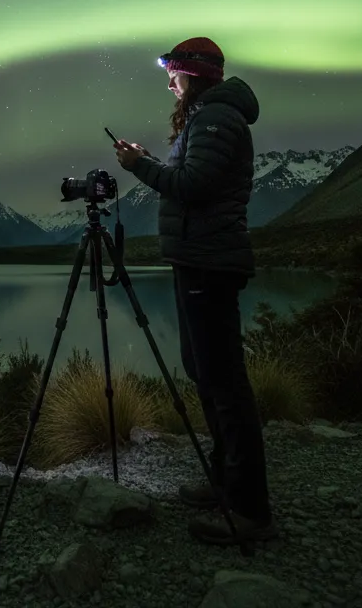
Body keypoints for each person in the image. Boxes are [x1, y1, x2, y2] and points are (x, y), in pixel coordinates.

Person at [114, 37, 277, 545]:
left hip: (209, 262)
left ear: (194, 76)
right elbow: (191, 179)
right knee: (204, 373)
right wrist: (149, 161)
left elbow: (193, 185)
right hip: (197, 259)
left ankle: (250, 510)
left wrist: (138, 166)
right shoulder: (206, 117)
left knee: (224, 383)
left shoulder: (215, 119)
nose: (169, 83)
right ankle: (225, 481)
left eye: (174, 75)